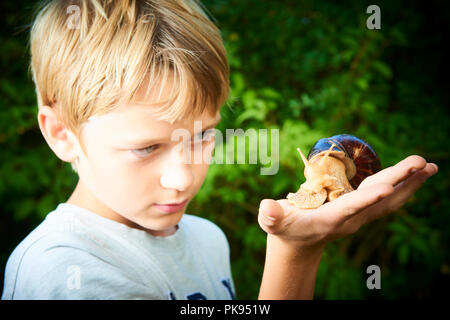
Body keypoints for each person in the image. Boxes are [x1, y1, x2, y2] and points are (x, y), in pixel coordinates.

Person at [1, 0, 438, 300]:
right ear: (61, 133)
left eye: (202, 135)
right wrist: (296, 251)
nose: (184, 177)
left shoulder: (206, 239)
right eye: (146, 147)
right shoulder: (64, 273)